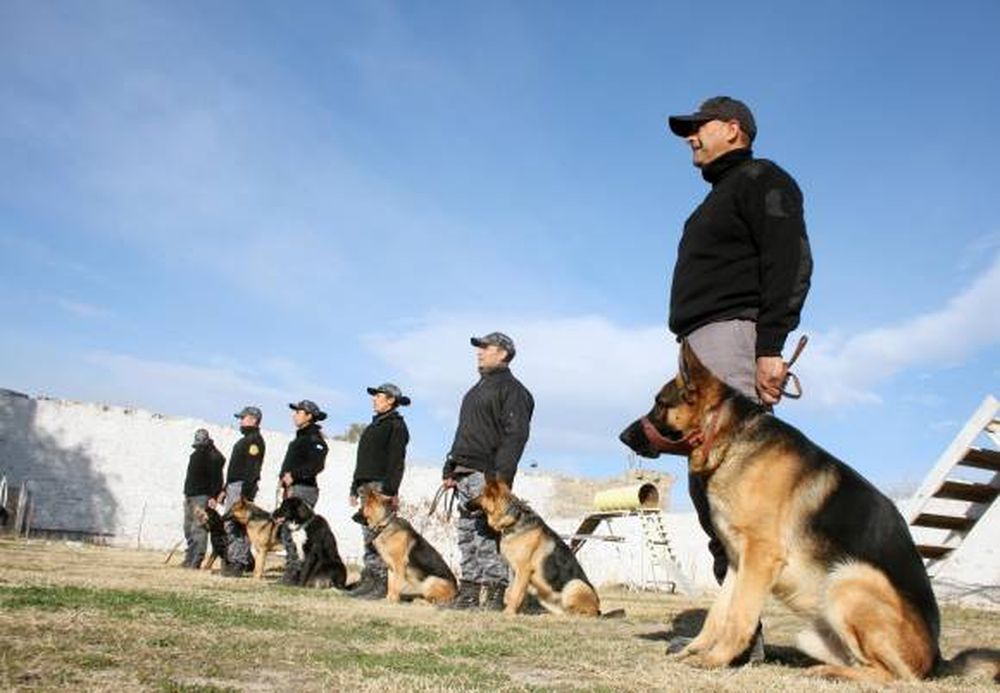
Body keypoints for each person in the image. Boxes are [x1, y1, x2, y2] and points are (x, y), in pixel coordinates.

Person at [666, 96, 813, 661]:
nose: (689, 138)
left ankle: (741, 632)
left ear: (732, 129)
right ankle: (732, 623)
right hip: (701, 343)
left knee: (733, 486)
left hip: (732, 338)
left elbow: (790, 258)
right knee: (709, 483)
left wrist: (770, 345)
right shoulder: (716, 199)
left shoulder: (762, 179)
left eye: (696, 128)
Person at [442, 332, 534, 610]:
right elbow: (464, 433)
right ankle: (468, 593)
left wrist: (500, 480)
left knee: (487, 535)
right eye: (479, 348)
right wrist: (450, 468)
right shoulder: (476, 390)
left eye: (486, 347)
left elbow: (515, 436)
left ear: (504, 353)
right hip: (464, 473)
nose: (479, 352)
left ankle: (494, 595)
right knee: (467, 534)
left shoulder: (514, 391)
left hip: (488, 477)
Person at [348, 383, 411, 600]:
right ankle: (370, 580)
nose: (374, 399)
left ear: (391, 400)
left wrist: (390, 491)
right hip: (366, 486)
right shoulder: (375, 425)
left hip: (380, 487)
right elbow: (362, 460)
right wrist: (354, 487)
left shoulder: (396, 426)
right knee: (368, 537)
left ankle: (381, 583)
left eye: (379, 396)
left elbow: (396, 462)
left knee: (379, 538)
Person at [278, 399, 329, 584]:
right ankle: (294, 571)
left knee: (298, 533)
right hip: (293, 489)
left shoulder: (315, 439)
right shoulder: (300, 437)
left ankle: (298, 574)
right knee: (287, 532)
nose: (295, 415)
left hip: (304, 489)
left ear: (309, 416)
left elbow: (316, 465)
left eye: (299, 412)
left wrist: (295, 474)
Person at [219, 405, 265, 577]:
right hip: (234, 486)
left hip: (241, 487)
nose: (240, 421)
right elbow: (234, 469)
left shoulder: (254, 441)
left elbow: (252, 469)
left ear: (253, 419)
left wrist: (245, 494)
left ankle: (238, 562)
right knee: (230, 524)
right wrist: (225, 488)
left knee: (237, 524)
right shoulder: (245, 440)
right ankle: (240, 560)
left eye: (243, 418)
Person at [182, 428, 225, 569]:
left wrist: (213, 496)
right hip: (190, 495)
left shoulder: (213, 456)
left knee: (198, 528)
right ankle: (189, 557)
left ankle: (196, 560)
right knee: (188, 528)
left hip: (202, 496)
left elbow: (217, 477)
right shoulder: (195, 454)